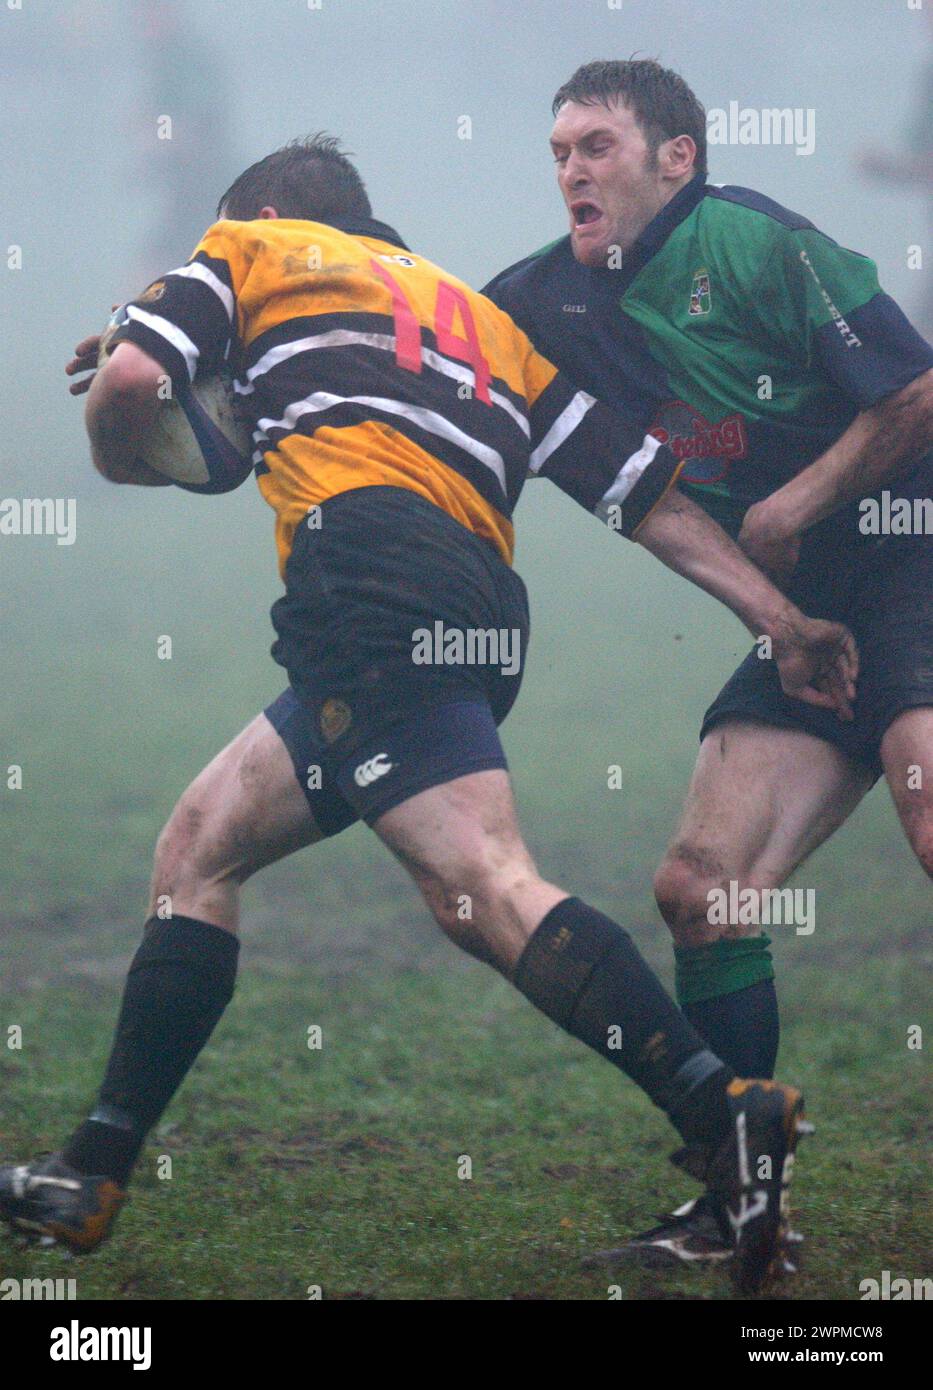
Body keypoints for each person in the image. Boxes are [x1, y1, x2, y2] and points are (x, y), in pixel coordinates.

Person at [0, 136, 849, 1293]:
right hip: (476, 607)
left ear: (256, 211)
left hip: (365, 583)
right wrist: (778, 616)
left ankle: (724, 1106)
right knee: (200, 846)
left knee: (487, 884)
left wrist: (120, 448)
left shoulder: (244, 244)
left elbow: (142, 386)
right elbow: (638, 491)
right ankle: (89, 1170)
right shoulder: (481, 323)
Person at [483, 59, 933, 1267]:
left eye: (598, 147)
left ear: (676, 158)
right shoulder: (540, 301)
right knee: (702, 886)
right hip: (801, 616)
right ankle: (751, 1214)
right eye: (561, 150)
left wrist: (794, 503)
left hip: (915, 557)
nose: (572, 169)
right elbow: (412, 336)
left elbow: (914, 391)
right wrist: (187, 341)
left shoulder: (751, 243)